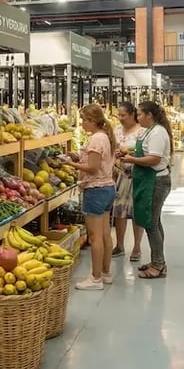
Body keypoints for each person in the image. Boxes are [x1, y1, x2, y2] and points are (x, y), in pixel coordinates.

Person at [65, 103, 116, 291]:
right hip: (108, 188)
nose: (82, 124)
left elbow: (92, 168)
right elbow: (96, 162)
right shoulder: (105, 137)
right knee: (104, 235)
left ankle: (95, 279)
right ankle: (105, 273)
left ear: (92, 121)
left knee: (95, 237)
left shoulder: (96, 140)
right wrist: (79, 157)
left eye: (83, 120)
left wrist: (71, 164)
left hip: (95, 190)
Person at [121, 101, 173, 280]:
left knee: (151, 224)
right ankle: (158, 261)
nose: (138, 117)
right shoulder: (150, 131)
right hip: (149, 180)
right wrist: (131, 155)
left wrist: (132, 161)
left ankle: (158, 265)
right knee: (154, 222)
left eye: (140, 114)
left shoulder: (158, 132)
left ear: (149, 115)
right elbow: (146, 154)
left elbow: (154, 159)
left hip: (156, 181)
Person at [112, 102, 144, 262]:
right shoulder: (116, 130)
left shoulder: (141, 131)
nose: (120, 118)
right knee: (119, 211)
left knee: (137, 211)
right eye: (119, 115)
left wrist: (127, 151)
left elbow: (145, 152)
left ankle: (137, 247)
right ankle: (119, 245)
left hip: (137, 175)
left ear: (133, 114)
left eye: (123, 115)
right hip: (120, 175)